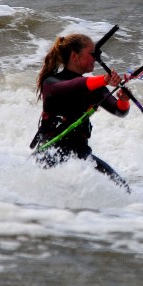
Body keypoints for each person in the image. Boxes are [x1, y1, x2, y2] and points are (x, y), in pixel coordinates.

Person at [30, 33, 131, 191]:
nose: (96, 58)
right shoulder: (51, 83)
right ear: (75, 56)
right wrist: (104, 80)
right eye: (92, 54)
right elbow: (74, 86)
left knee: (124, 190)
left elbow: (119, 111)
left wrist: (124, 99)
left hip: (80, 154)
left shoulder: (93, 87)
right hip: (50, 153)